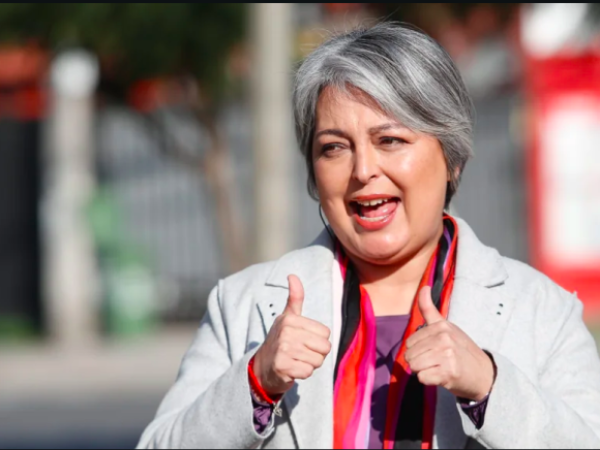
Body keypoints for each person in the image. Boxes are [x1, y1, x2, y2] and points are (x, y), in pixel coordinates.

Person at [137, 23, 600, 449]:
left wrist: (489, 386)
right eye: (334, 147)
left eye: (390, 140)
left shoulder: (540, 310)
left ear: (452, 158)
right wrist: (257, 381)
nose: (362, 171)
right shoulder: (243, 305)